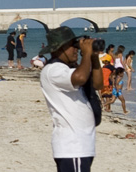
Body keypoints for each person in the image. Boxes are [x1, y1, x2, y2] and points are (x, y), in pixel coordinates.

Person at [39, 27, 103, 172]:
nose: (76, 49)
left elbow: (99, 84)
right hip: (72, 145)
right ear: (58, 48)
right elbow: (80, 78)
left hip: (82, 145)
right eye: (72, 46)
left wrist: (93, 57)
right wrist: (86, 54)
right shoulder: (52, 70)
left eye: (76, 45)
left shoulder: (69, 69)